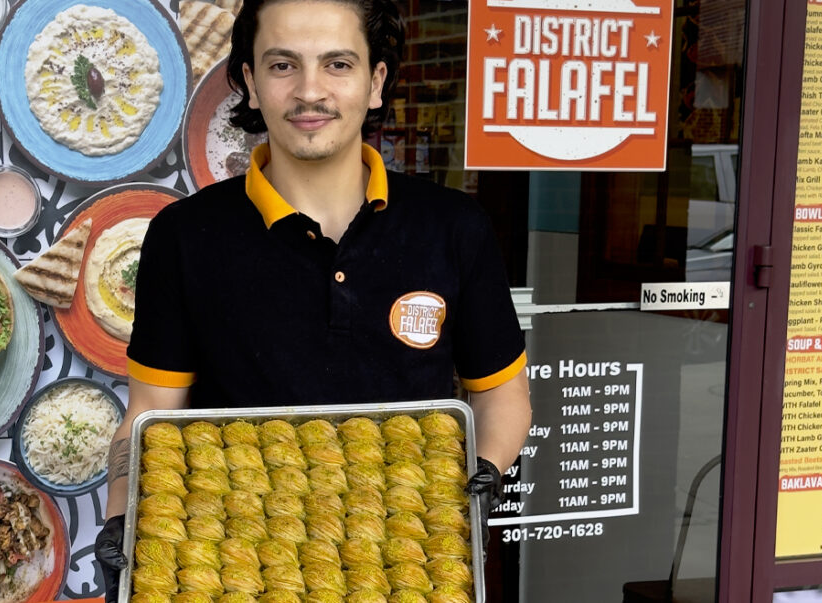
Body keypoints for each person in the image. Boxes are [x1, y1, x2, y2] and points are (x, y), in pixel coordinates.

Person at [95, 0, 532, 599]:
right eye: (282, 66)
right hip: (235, 562)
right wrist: (123, 514)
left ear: (375, 81)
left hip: (410, 556)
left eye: (338, 64)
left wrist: (487, 470)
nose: (310, 91)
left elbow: (503, 393)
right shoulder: (185, 234)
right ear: (249, 81)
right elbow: (147, 416)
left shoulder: (453, 227)